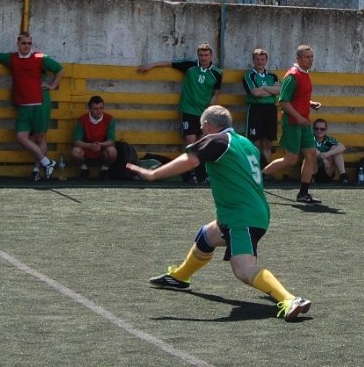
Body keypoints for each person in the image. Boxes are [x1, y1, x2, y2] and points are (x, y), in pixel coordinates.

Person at [125, 105, 311, 322]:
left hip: (241, 217)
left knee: (243, 270)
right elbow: (261, 166)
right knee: (207, 235)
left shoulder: (217, 140)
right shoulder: (245, 143)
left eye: (202, 128)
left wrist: (153, 174)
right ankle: (180, 277)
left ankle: (290, 300)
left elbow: (191, 160)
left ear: (207, 125)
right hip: (248, 212)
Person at [137, 43, 223, 184]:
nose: (204, 58)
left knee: (202, 144)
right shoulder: (189, 66)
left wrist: (212, 104)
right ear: (198, 55)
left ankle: (202, 174)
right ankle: (191, 173)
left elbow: (216, 91)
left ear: (211, 56)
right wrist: (151, 65)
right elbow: (169, 63)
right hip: (188, 110)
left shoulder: (217, 73)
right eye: (201, 55)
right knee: (191, 142)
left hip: (204, 113)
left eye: (206, 55)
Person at [0, 32, 64, 181]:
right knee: (21, 137)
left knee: (40, 137)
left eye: (29, 43)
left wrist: (52, 85)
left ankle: (36, 170)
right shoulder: (11, 58)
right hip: (23, 105)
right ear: (18, 44)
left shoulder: (39, 57)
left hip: (40, 103)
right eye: (23, 43)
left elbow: (60, 69)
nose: (26, 46)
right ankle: (47, 162)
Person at [262, 45, 322, 203]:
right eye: (307, 57)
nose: (310, 60)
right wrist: (298, 117)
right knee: (291, 159)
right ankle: (258, 177)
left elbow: (297, 97)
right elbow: (283, 101)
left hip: (303, 121)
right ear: (298, 58)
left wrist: (310, 103)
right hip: (293, 122)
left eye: (311, 56)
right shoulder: (292, 76)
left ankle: (303, 193)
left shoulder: (304, 74)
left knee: (311, 154)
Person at [241, 48, 279, 166]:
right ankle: (254, 169)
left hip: (270, 109)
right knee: (255, 142)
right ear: (253, 60)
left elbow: (279, 90)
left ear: (266, 60)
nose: (260, 62)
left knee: (267, 143)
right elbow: (255, 93)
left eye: (262, 59)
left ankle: (266, 170)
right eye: (257, 59)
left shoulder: (272, 76)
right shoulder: (249, 75)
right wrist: (270, 91)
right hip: (255, 109)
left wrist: (264, 88)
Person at [71, 95, 117, 179]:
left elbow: (111, 140)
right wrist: (90, 146)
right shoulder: (82, 120)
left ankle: (104, 169)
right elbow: (76, 141)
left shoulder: (109, 119)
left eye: (101, 108)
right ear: (90, 109)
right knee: (75, 151)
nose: (99, 111)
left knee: (112, 151)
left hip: (102, 149)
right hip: (87, 149)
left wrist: (100, 145)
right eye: (95, 109)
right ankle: (84, 169)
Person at [312, 118, 349, 184]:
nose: (319, 131)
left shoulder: (328, 140)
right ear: (313, 129)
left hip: (328, 170)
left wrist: (327, 154)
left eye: (322, 129)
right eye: (316, 128)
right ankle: (310, 178)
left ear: (326, 130)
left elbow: (342, 147)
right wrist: (324, 159)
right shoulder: (310, 138)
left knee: (335, 149)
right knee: (310, 152)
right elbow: (311, 149)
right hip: (313, 171)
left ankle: (343, 176)